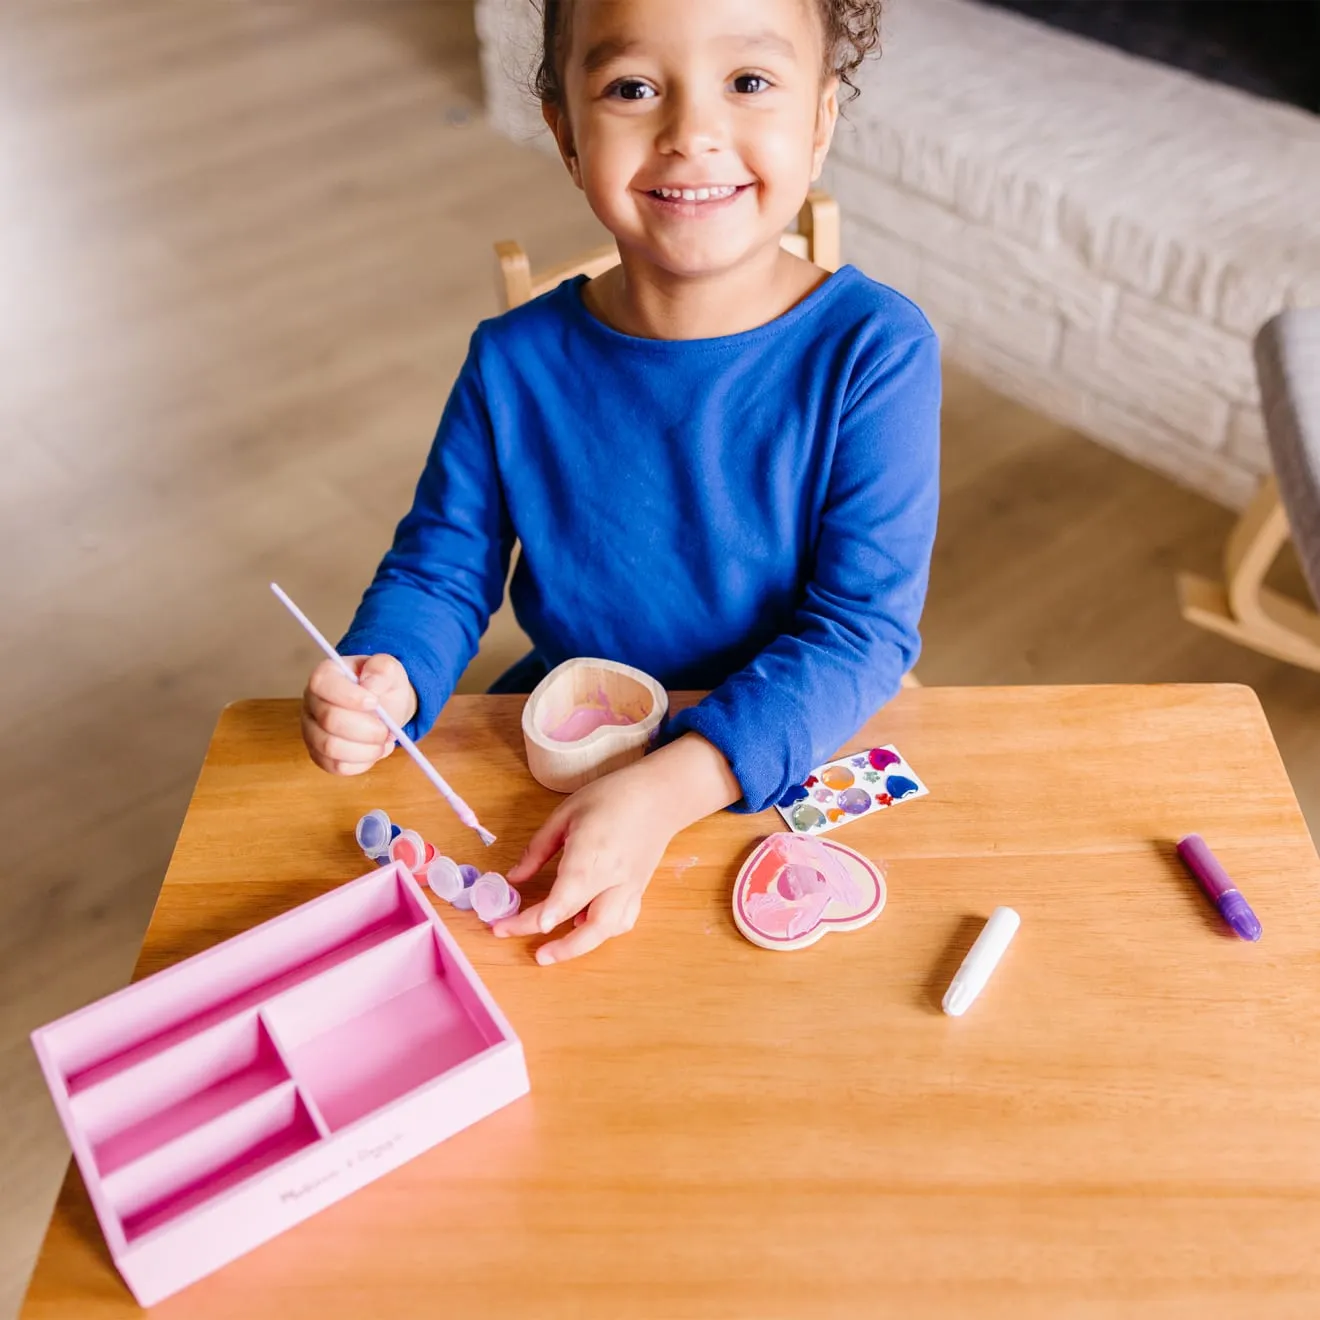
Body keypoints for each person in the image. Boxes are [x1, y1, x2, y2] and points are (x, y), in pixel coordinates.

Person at [300, 0, 940, 965]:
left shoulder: (877, 352)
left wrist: (673, 786)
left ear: (818, 122)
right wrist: (388, 672)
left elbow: (862, 632)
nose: (691, 133)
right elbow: (440, 570)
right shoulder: (510, 362)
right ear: (564, 129)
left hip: (787, 737)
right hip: (571, 736)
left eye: (750, 82)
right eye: (633, 88)